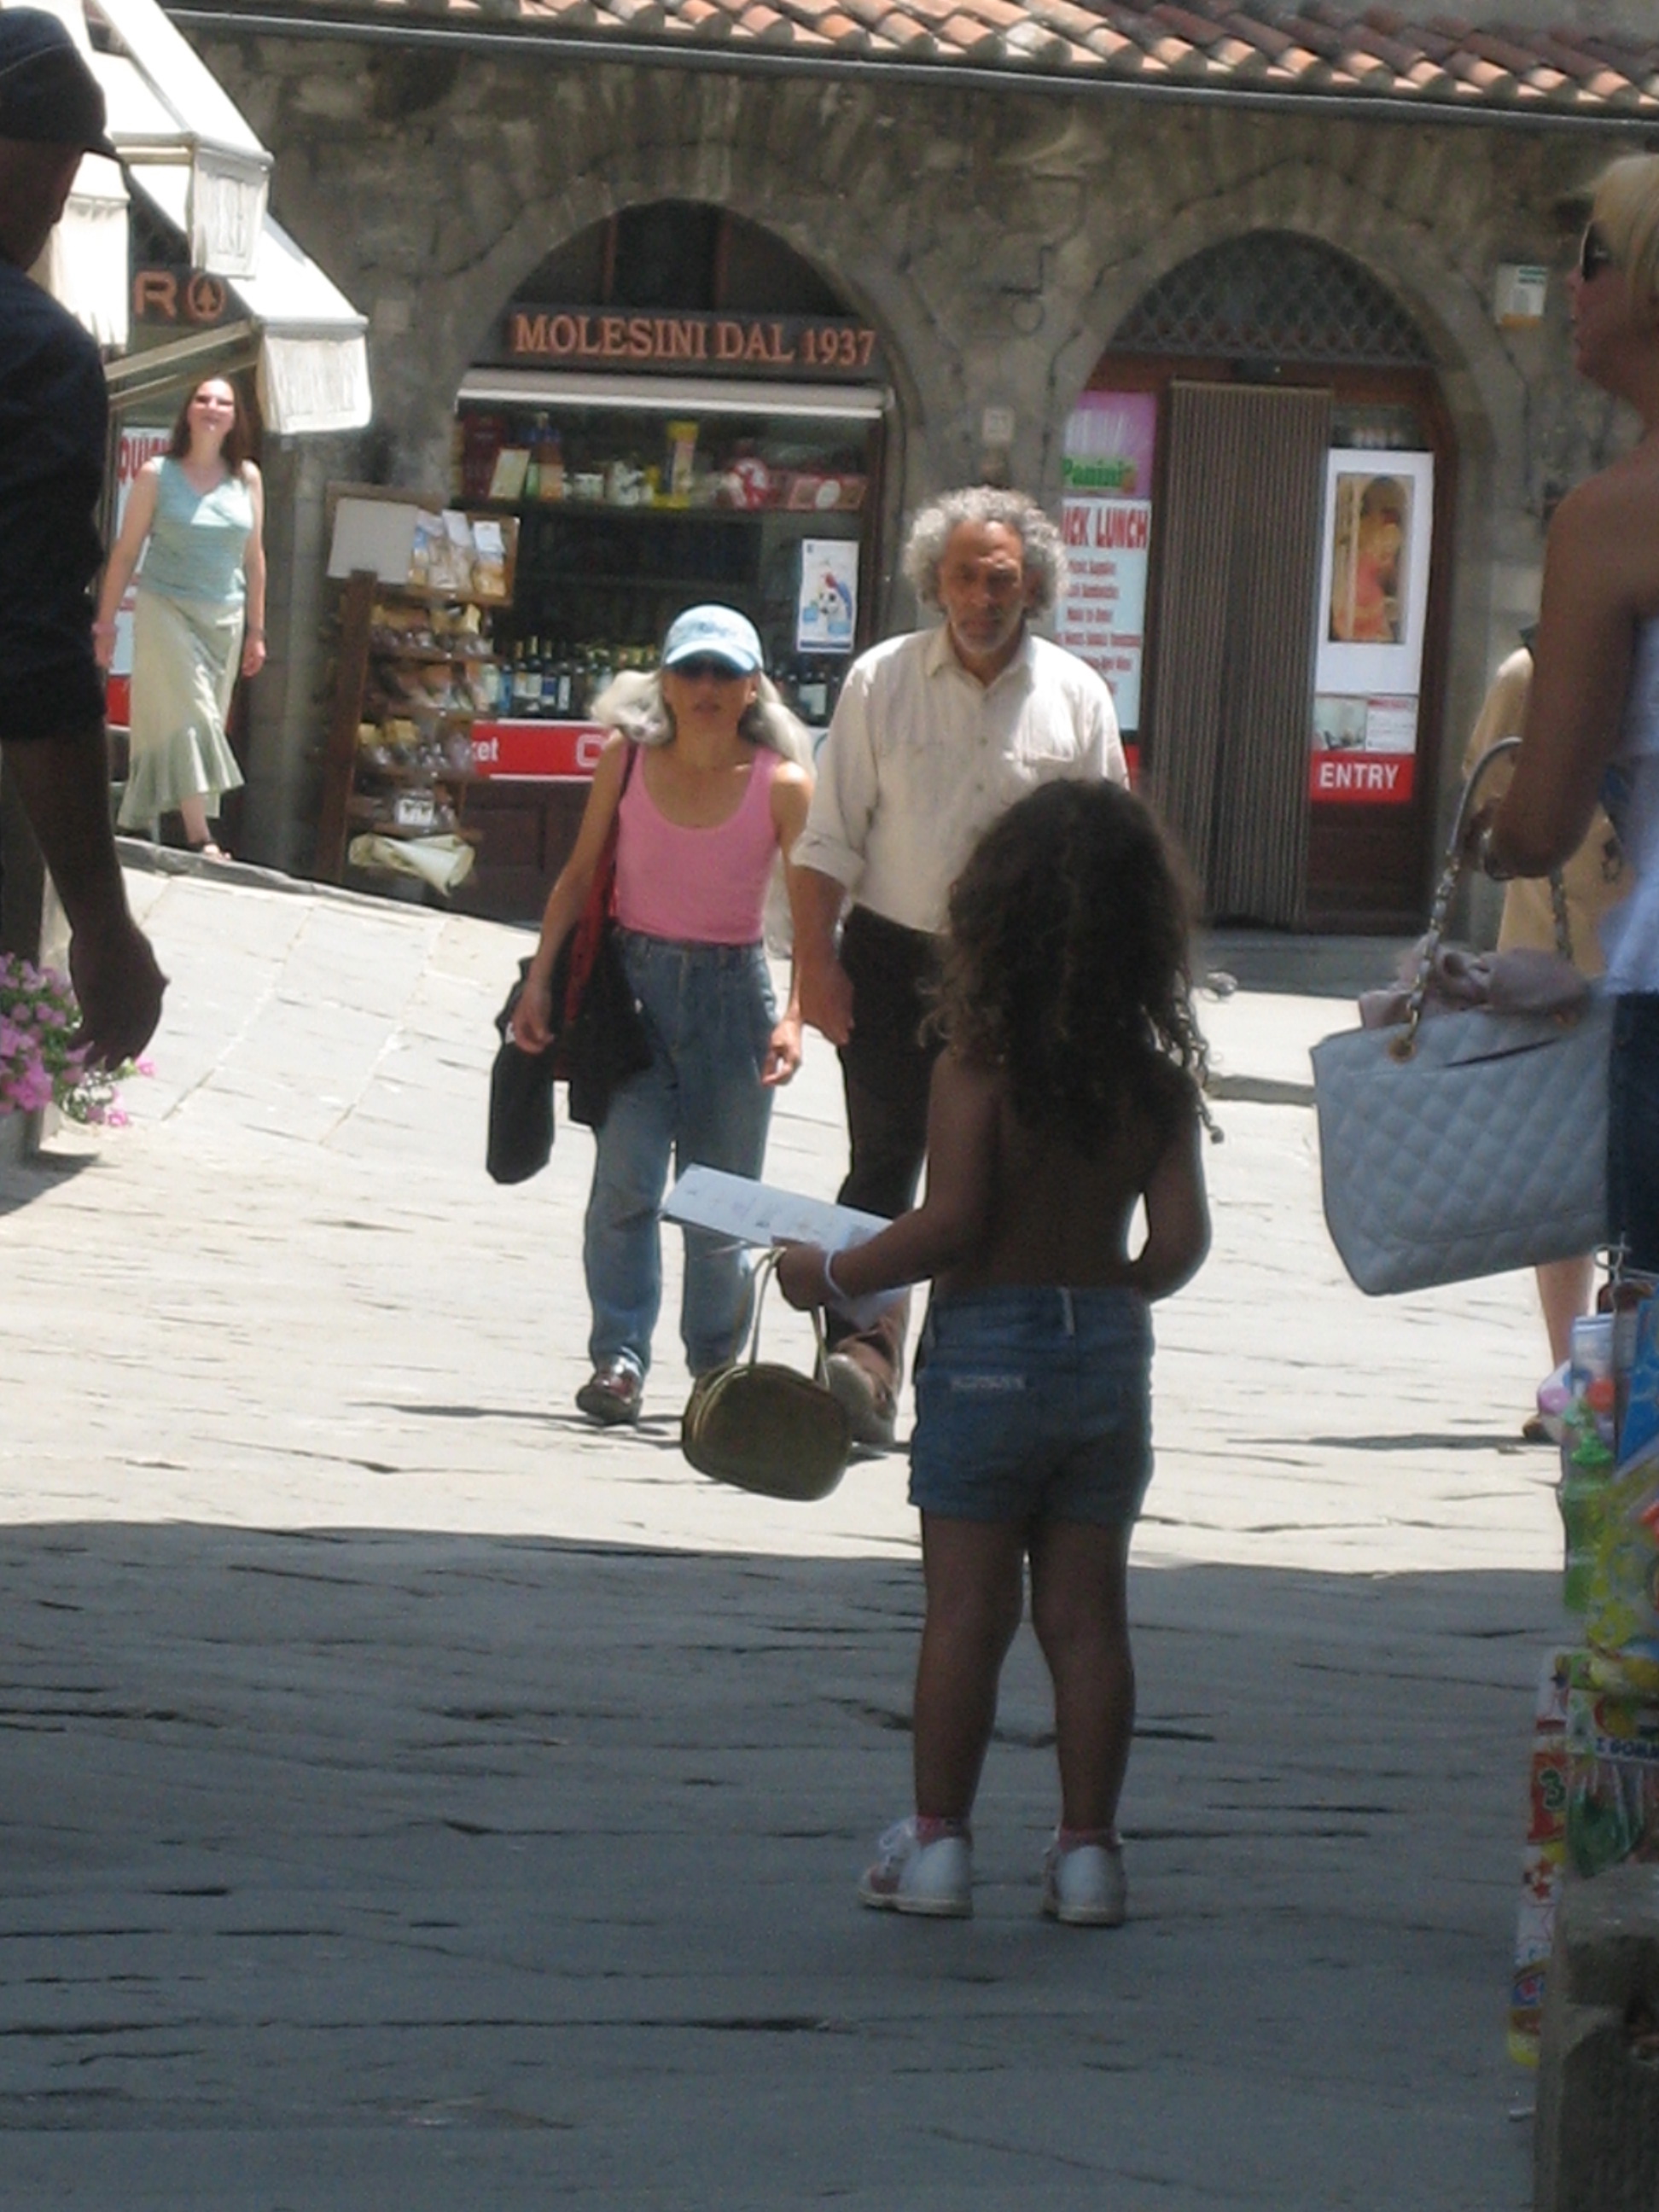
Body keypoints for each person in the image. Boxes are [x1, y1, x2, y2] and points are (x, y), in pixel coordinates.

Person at [777, 779, 1211, 1925]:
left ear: (991, 920)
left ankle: (937, 1847)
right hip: (1103, 1354)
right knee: (1088, 1618)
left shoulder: (974, 1066)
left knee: (967, 1613)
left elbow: (952, 1222)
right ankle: (1088, 1855)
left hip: (986, 1353)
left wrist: (835, 1271)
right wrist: (1117, 1290)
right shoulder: (1154, 1083)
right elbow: (1179, 1244)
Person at [789, 486, 1127, 1448]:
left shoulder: (1077, 696)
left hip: (1027, 975)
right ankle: (864, 1364)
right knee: (883, 1164)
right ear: (934, 584)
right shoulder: (880, 681)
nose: (984, 598)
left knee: (998, 1181)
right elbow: (827, 839)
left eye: (1003, 580)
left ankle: (971, 1373)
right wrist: (816, 965)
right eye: (966, 578)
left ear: (1035, 588)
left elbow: (1109, 857)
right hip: (894, 959)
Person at [511, 605, 812, 1425]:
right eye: (691, 670)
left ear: (752, 687)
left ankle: (715, 1372)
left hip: (733, 1004)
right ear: (666, 683)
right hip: (633, 999)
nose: (706, 687)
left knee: (720, 1209)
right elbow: (579, 875)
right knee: (626, 1185)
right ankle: (619, 1359)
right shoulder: (627, 760)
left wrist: (794, 1017)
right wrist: (540, 981)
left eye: (724, 672)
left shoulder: (782, 785)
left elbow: (813, 916)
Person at [1474, 157, 1659, 1278]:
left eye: (1592, 257)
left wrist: (1488, 836)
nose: (1571, 285)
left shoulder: (1613, 518)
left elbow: (1541, 824)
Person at [0, 10, 165, 1067]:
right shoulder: (34, 356)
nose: (62, 199)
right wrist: (101, 924)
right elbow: (30, 654)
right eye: (59, 164)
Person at [1460, 635, 1626, 1427]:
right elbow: (1485, 803)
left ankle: (1616, 1371)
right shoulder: (1532, 673)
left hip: (1637, 959)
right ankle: (1573, 1376)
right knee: (1558, 1184)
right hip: (1552, 964)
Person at [94, 375, 265, 859]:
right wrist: (105, 623)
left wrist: (256, 629)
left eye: (223, 402)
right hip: (164, 608)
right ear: (188, 412)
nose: (212, 408)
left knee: (194, 719)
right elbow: (126, 553)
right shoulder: (157, 474)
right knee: (197, 713)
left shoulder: (248, 478)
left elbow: (255, 558)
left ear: (234, 418)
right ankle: (200, 835)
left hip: (225, 619)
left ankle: (179, 824)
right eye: (202, 399)